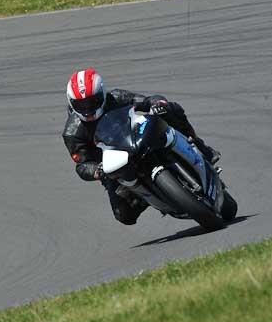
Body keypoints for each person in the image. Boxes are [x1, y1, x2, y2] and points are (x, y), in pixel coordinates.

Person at [61, 67, 221, 225]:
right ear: (71, 103)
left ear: (102, 94)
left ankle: (201, 147)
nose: (88, 109)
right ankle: (147, 196)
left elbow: (146, 100)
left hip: (136, 138)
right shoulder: (72, 132)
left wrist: (158, 103)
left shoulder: (116, 97)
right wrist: (96, 171)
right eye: (81, 105)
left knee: (170, 109)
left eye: (92, 102)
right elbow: (82, 164)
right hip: (114, 166)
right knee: (124, 215)